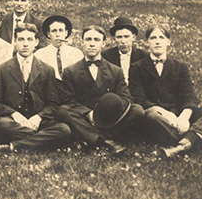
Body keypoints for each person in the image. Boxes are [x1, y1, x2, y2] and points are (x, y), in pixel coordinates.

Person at [57, 25, 145, 155]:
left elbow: (126, 98)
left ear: (103, 43)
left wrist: (111, 110)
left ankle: (92, 138)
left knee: (137, 110)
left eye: (96, 40)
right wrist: (88, 114)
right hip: (85, 119)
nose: (92, 44)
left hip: (111, 119)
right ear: (82, 43)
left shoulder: (115, 70)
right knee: (63, 111)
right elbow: (68, 100)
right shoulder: (71, 71)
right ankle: (107, 141)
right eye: (88, 40)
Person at [128, 24, 202, 157]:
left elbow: (188, 95)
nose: (157, 41)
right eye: (153, 38)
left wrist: (184, 117)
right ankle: (193, 137)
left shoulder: (180, 67)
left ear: (168, 42)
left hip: (179, 117)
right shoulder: (136, 67)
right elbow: (139, 98)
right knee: (151, 115)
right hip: (157, 120)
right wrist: (167, 114)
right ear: (147, 43)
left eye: (161, 37)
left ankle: (179, 147)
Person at [0, 23, 71, 152]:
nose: (25, 44)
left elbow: (53, 103)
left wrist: (39, 117)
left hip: (38, 122)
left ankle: (13, 146)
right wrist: (14, 114)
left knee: (64, 129)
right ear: (15, 42)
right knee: (2, 125)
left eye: (29, 39)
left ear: (36, 42)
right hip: (13, 122)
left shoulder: (47, 70)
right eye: (21, 39)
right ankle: (45, 141)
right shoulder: (2, 69)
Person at [35, 15, 84, 82]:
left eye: (61, 30)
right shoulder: (39, 55)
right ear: (48, 34)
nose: (57, 34)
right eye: (54, 31)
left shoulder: (77, 54)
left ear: (66, 33)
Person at [102, 17, 148, 83]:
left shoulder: (144, 56)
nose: (123, 41)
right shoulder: (106, 56)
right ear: (114, 38)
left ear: (134, 37)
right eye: (119, 37)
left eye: (126, 37)